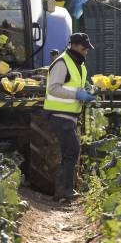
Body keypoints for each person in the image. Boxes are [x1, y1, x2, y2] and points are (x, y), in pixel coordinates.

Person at [43, 33, 96, 202]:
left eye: (87, 48)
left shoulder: (79, 65)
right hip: (59, 115)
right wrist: (77, 95)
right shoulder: (62, 62)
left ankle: (62, 191)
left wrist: (86, 91)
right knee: (72, 150)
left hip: (68, 115)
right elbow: (53, 89)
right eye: (84, 48)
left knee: (70, 151)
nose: (86, 51)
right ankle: (64, 190)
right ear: (74, 45)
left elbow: (74, 86)